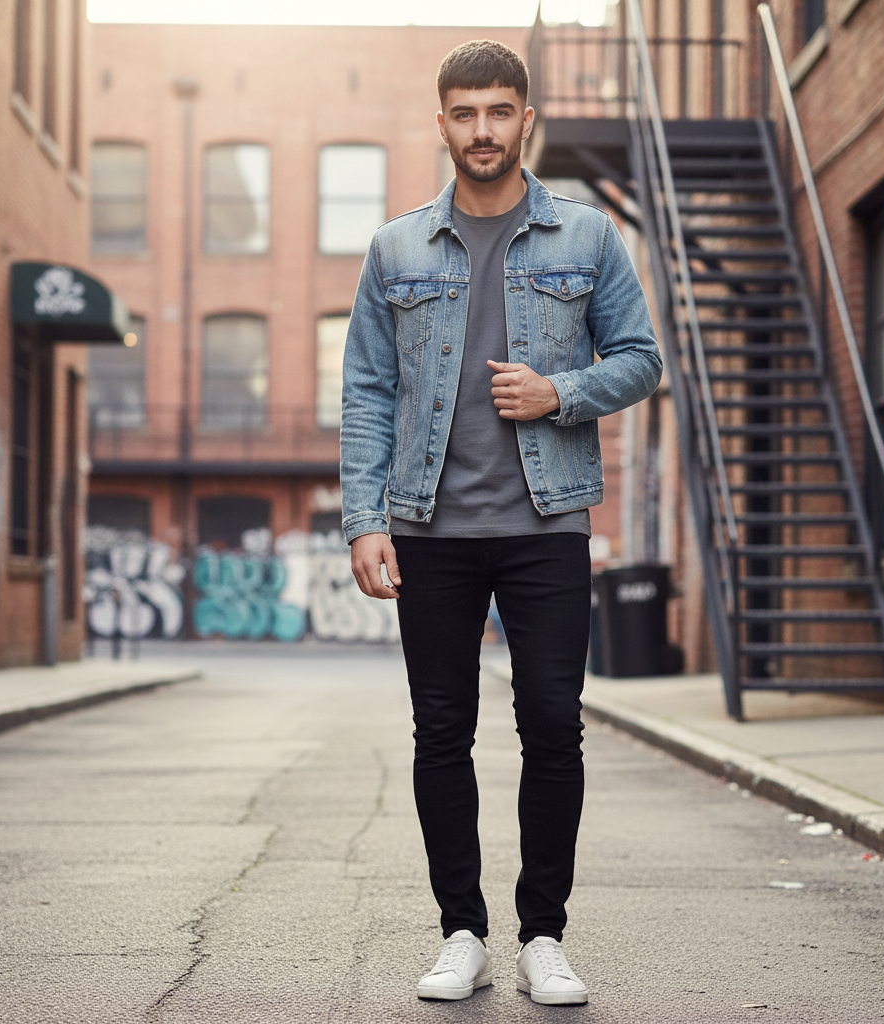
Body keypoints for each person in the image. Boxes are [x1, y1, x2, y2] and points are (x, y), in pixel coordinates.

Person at [340, 39, 661, 1005]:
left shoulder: (588, 237)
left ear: (527, 119)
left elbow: (641, 357)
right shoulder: (397, 248)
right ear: (441, 124)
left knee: (552, 726)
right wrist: (365, 519)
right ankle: (462, 932)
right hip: (429, 527)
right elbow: (368, 391)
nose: (482, 130)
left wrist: (561, 391)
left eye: (499, 111)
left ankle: (543, 936)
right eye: (465, 113)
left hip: (546, 524)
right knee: (441, 731)